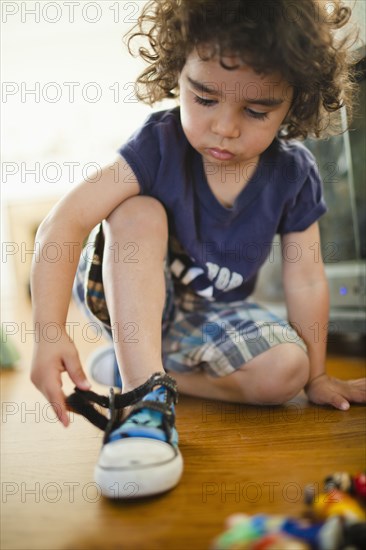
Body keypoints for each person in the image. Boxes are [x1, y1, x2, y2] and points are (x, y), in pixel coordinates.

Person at [30, 0, 366, 498]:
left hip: (207, 313)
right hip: (127, 294)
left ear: (294, 103)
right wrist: (48, 332)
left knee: (287, 372)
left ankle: (142, 368)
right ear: (177, 73)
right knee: (136, 209)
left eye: (256, 111)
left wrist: (317, 375)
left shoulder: (294, 173)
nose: (225, 128)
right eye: (204, 98)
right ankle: (143, 399)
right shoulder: (159, 144)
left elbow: (308, 276)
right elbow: (64, 221)